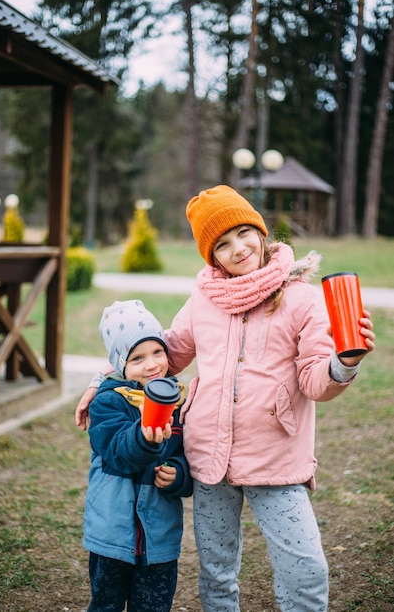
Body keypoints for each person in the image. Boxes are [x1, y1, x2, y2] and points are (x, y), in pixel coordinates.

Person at [76, 185, 375, 612]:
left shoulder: (303, 300)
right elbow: (161, 355)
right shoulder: (205, 300)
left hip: (275, 459)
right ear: (210, 255)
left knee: (305, 572)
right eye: (222, 244)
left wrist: (344, 362)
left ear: (260, 230)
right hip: (209, 461)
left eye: (243, 233)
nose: (237, 249)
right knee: (216, 574)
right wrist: (100, 378)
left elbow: (314, 381)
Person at [82, 299, 192, 612]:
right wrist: (144, 437)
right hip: (112, 534)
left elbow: (189, 457)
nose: (152, 364)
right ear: (121, 365)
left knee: (154, 606)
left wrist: (178, 475)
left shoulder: (179, 402)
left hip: (160, 537)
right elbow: (117, 453)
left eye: (158, 352)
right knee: (106, 603)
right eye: (138, 357)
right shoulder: (108, 402)